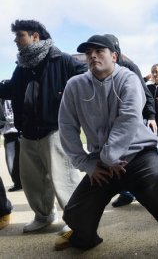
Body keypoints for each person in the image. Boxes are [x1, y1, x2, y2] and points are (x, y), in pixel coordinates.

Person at [55, 35, 158, 258]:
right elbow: (67, 126)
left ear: (114, 56)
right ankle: (84, 238)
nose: (92, 56)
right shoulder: (75, 85)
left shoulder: (128, 78)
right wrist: (88, 164)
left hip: (139, 156)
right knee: (74, 212)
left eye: (99, 51)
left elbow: (128, 119)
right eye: (89, 52)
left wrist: (110, 157)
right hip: (101, 162)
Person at [0, 20, 86, 233]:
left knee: (64, 177)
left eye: (20, 35)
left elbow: (86, 77)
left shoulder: (61, 59)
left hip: (55, 129)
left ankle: (77, 219)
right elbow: (12, 89)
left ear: (35, 36)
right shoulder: (22, 66)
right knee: (32, 181)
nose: (15, 40)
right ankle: (44, 215)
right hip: (27, 132)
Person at [103, 34, 158, 208]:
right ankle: (126, 193)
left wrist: (151, 116)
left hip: (134, 119)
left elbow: (145, 92)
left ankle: (152, 190)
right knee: (118, 157)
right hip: (112, 122)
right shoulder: (100, 71)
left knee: (140, 156)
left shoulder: (128, 67)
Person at [0, 88, 21, 192]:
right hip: (8, 132)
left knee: (27, 160)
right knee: (11, 161)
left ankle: (24, 182)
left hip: (21, 130)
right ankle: (18, 183)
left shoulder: (18, 91)